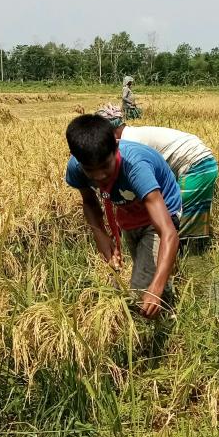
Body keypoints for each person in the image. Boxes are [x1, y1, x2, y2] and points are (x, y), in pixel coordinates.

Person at [65, 114, 181, 318]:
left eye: (105, 167)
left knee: (142, 291)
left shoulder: (136, 167)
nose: (99, 176)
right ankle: (168, 308)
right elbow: (90, 202)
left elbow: (168, 233)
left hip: (163, 211)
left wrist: (155, 288)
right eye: (91, 170)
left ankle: (149, 338)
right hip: (128, 212)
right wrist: (100, 236)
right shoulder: (76, 168)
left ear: (116, 149)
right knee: (146, 270)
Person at [96, 104, 219, 242]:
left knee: (176, 215)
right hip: (201, 161)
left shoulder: (127, 144)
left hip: (197, 163)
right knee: (180, 215)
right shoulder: (132, 134)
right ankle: (189, 250)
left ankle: (188, 254)